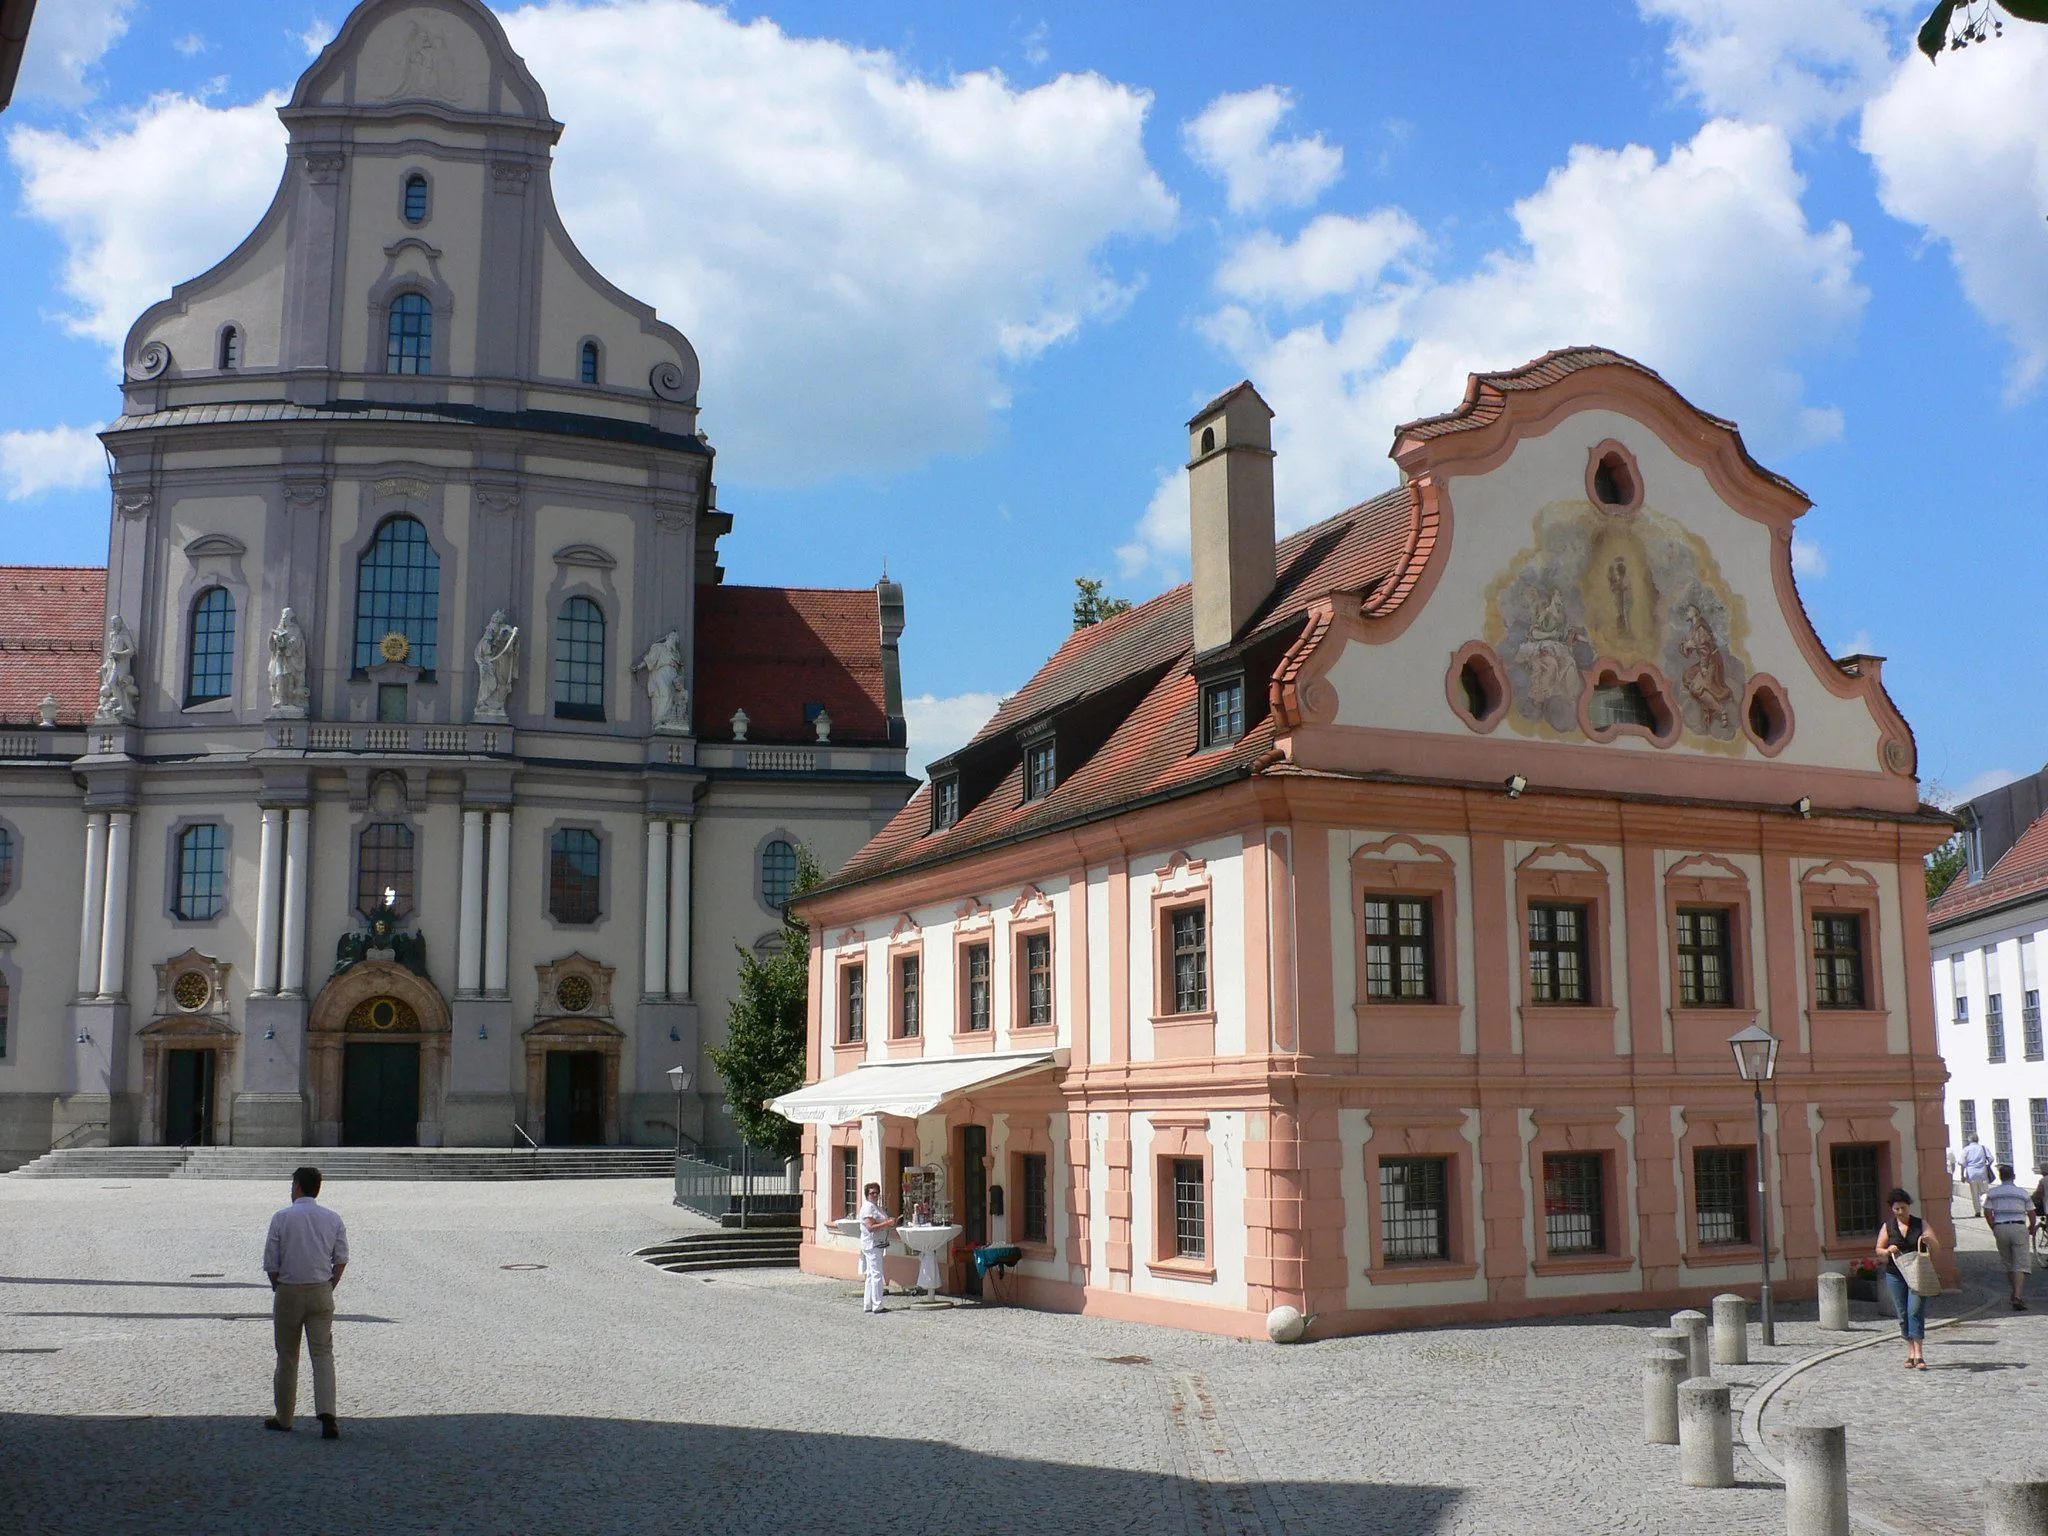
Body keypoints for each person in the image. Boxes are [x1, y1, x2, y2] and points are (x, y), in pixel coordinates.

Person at [262, 1166, 349, 1437]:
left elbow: (271, 1261)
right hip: (321, 1291)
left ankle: (284, 1417)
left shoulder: (281, 1218)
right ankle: (328, 1415)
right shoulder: (332, 1218)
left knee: (287, 1356)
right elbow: (341, 1258)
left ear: (297, 1187)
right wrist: (330, 1284)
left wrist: (278, 1285)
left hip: (289, 1290)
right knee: (322, 1354)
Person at [1876, 1187, 1938, 1369]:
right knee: (1903, 1313)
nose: (1901, 1212)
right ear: (1892, 1209)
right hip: (1895, 1274)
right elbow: (1878, 1250)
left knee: (1915, 1310)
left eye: (1903, 1208)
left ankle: (1919, 1355)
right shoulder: (1888, 1226)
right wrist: (1887, 1251)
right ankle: (1910, 1353)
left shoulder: (1920, 1224)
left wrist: (1930, 1241)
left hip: (1918, 1273)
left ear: (1908, 1207)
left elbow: (1937, 1248)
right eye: (1897, 1209)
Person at [1982, 1162, 2034, 1311]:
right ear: (2014, 1177)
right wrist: (2031, 1227)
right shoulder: (2022, 1193)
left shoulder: (1992, 1193)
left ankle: (2014, 1293)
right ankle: (2017, 1296)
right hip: (2018, 1227)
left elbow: (1987, 1211)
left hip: (2001, 1227)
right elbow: (2031, 1212)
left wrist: (1993, 1225)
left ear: (2000, 1177)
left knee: (2009, 1263)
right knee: (2021, 1263)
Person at [857, 1180, 896, 1315]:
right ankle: (877, 1304)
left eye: (877, 1193)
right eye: (872, 1193)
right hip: (872, 1244)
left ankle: (867, 1304)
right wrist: (887, 1223)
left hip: (876, 1243)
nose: (875, 1195)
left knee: (870, 1274)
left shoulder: (875, 1207)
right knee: (877, 1274)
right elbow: (870, 1227)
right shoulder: (868, 1208)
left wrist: (888, 1222)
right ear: (867, 1194)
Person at [1960, 1134, 1995, 1214]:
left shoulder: (1966, 1149)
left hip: (1971, 1173)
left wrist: (1962, 1175)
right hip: (1982, 1172)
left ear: (1969, 1140)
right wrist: (1987, 1165)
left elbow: (1962, 1163)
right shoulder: (1983, 1148)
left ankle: (1977, 1211)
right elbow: (1991, 1159)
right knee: (1984, 1192)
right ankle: (1986, 1208)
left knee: (1974, 1193)